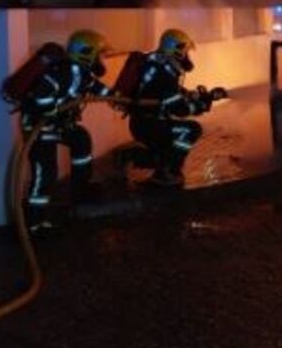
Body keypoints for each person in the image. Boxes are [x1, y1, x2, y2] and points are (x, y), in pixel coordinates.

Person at [20, 29, 112, 230]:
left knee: (81, 139)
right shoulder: (59, 72)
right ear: (86, 53)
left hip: (59, 124)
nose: (100, 59)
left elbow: (96, 86)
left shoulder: (81, 72)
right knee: (46, 171)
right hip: (39, 127)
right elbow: (41, 99)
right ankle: (35, 222)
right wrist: (54, 110)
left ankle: (80, 190)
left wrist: (115, 97)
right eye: (98, 55)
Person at [128, 29, 226, 186]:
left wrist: (192, 95)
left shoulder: (157, 62)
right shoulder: (165, 72)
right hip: (149, 125)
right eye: (186, 52)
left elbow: (168, 93)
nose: (188, 56)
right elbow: (179, 110)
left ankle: (158, 164)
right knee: (191, 129)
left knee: (170, 139)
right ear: (177, 50)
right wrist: (200, 105)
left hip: (145, 121)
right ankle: (165, 171)